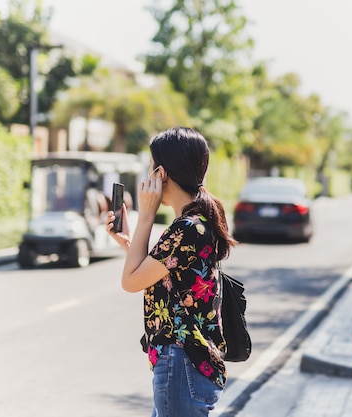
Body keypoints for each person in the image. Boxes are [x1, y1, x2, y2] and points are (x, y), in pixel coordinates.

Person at [106, 126, 237, 417]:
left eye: (151, 167)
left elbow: (130, 282)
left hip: (181, 364)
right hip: (186, 364)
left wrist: (147, 216)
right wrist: (128, 241)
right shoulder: (198, 222)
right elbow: (160, 275)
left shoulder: (187, 228)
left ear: (161, 172)